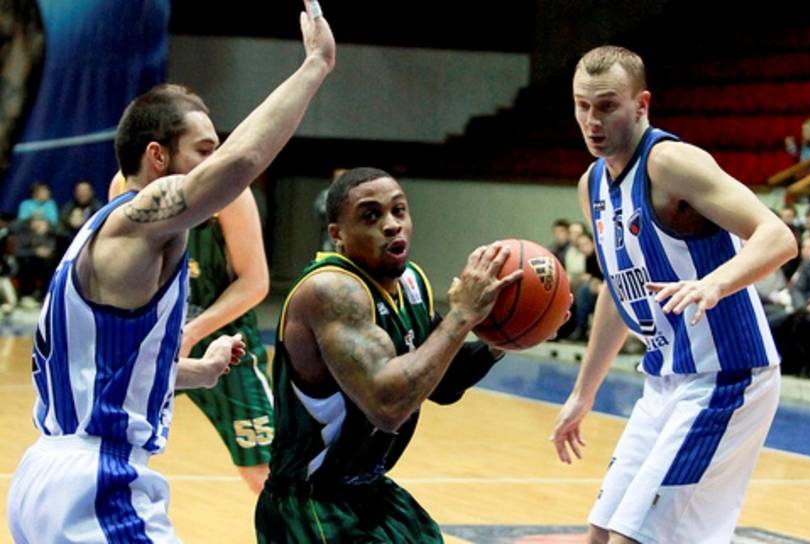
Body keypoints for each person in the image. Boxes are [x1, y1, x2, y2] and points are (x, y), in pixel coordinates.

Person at [6, 2, 335, 541]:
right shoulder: (139, 217)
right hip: (98, 484)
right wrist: (315, 66)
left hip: (46, 477)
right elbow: (243, 162)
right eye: (204, 151)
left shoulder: (105, 235)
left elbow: (106, 371)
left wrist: (197, 371)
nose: (215, 161)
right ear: (158, 158)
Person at [550, 46, 796, 544]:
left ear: (641, 104)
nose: (592, 121)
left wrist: (714, 283)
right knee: (601, 534)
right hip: (663, 381)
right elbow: (617, 291)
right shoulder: (591, 185)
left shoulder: (670, 163)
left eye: (607, 106)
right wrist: (583, 392)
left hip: (727, 376)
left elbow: (778, 236)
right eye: (582, 106)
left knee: (636, 539)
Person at [255, 167, 557, 543]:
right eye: (371, 215)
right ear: (337, 235)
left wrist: (506, 339)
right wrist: (462, 316)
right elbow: (387, 406)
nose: (392, 224)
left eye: (399, 210)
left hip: (370, 493)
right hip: (313, 505)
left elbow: (442, 382)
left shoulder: (411, 282)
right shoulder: (331, 291)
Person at [110, 171, 274, 494]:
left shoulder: (230, 187)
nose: (210, 154)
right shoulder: (125, 183)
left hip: (224, 339)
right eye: (200, 147)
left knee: (262, 469)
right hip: (154, 339)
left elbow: (255, 282)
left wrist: (190, 333)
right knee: (108, 446)